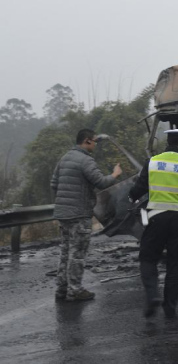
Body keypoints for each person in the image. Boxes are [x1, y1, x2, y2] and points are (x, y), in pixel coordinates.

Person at [129, 129, 178, 319]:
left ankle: (153, 295)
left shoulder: (153, 162)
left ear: (167, 142)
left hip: (156, 217)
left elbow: (138, 189)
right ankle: (170, 308)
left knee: (148, 257)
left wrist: (131, 196)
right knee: (175, 263)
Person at [51, 129, 122, 301]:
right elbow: (101, 182)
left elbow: (54, 183)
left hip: (63, 214)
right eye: (95, 141)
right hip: (79, 214)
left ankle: (62, 289)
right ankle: (75, 290)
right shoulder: (86, 160)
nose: (96, 144)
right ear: (87, 141)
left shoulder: (65, 158)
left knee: (65, 251)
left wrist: (64, 203)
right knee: (78, 253)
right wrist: (115, 174)